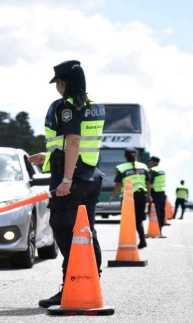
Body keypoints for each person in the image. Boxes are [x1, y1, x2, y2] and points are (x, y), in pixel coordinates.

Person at [28, 60, 106, 308]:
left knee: (64, 228)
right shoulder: (95, 104)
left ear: (63, 83)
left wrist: (66, 180)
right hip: (90, 175)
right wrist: (48, 157)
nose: (57, 89)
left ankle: (75, 284)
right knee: (85, 232)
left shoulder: (68, 106)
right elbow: (79, 145)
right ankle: (91, 278)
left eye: (58, 83)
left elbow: (73, 142)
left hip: (72, 178)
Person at [108, 147, 152, 249]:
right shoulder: (144, 166)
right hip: (142, 195)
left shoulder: (121, 168)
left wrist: (113, 196)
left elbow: (118, 185)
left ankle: (128, 241)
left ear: (125, 156)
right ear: (135, 155)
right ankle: (142, 241)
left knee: (127, 220)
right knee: (138, 220)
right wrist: (149, 196)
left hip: (129, 199)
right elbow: (148, 183)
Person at [147, 156, 166, 234]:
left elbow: (150, 184)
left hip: (154, 193)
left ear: (154, 162)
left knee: (153, 211)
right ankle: (160, 227)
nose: (149, 163)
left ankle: (155, 228)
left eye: (150, 161)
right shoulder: (162, 170)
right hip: (162, 193)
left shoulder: (152, 171)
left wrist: (148, 194)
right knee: (161, 211)